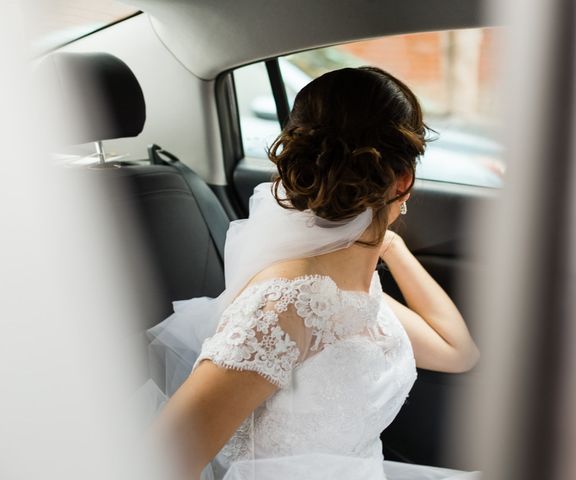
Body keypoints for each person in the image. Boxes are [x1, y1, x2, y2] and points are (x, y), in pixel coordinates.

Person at [146, 66, 480, 480]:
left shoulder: (354, 286)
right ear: (404, 180)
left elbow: (457, 352)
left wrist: (389, 246)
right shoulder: (284, 306)